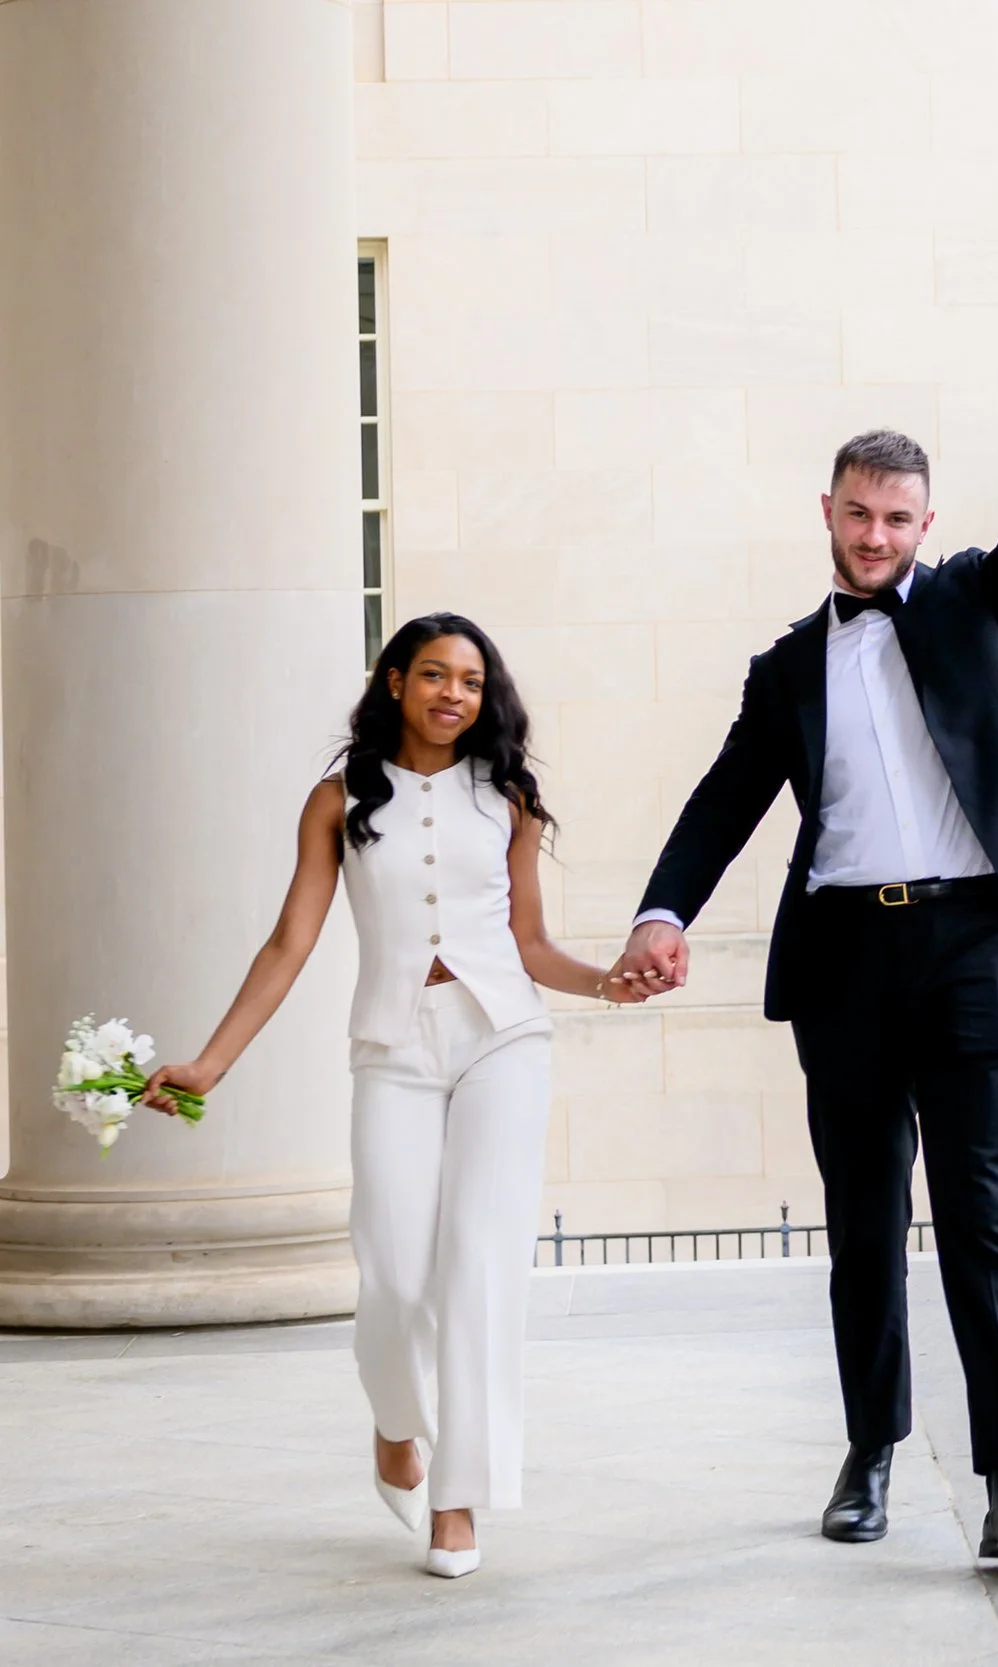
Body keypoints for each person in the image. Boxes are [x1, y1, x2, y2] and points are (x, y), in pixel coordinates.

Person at [614, 334, 998, 1559]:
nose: (875, 535)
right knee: (860, 1224)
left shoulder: (967, 601)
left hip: (969, 945)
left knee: (983, 1216)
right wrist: (660, 910)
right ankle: (869, 1453)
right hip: (843, 954)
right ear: (828, 513)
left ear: (923, 518)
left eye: (896, 517)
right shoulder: (786, 667)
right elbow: (721, 803)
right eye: (857, 514)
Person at [143, 615, 652, 1578]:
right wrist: (210, 1062)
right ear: (393, 683)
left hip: (503, 1037)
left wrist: (607, 983)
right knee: (391, 1267)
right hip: (391, 1044)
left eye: (469, 679)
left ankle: (457, 1499)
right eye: (432, 674)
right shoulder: (337, 802)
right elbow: (289, 942)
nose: (452, 693)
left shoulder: (508, 799)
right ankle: (394, 1420)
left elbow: (532, 945)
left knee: (480, 1265)